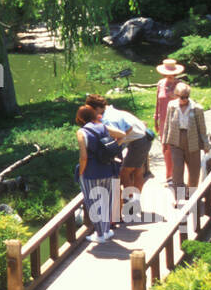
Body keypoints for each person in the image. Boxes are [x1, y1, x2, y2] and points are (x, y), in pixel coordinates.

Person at [85, 95, 154, 223]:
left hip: (138, 141)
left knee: (125, 172)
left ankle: (131, 205)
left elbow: (123, 132)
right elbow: (129, 128)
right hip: (142, 137)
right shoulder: (112, 110)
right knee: (137, 171)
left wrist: (114, 146)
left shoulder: (107, 118)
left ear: (97, 108)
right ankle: (133, 203)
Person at [75, 105, 120, 243]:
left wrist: (81, 172)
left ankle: (100, 235)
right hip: (108, 169)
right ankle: (106, 231)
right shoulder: (103, 127)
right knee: (107, 201)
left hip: (91, 172)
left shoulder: (81, 132)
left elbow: (83, 157)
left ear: (80, 118)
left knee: (93, 203)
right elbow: (121, 135)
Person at [161, 81, 209, 200]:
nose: (185, 100)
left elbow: (202, 129)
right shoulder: (172, 106)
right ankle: (179, 197)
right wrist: (164, 142)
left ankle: (192, 195)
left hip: (192, 141)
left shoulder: (197, 109)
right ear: (176, 96)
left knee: (194, 171)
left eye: (187, 97)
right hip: (175, 140)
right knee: (177, 171)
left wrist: (206, 145)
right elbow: (167, 124)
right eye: (182, 97)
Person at [154, 59, 185, 185]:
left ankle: (178, 175)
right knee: (165, 148)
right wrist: (155, 118)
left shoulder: (180, 85)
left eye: (171, 73)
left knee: (175, 148)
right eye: (167, 73)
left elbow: (185, 103)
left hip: (175, 120)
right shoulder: (160, 83)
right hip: (163, 121)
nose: (169, 75)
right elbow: (158, 101)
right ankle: (169, 175)